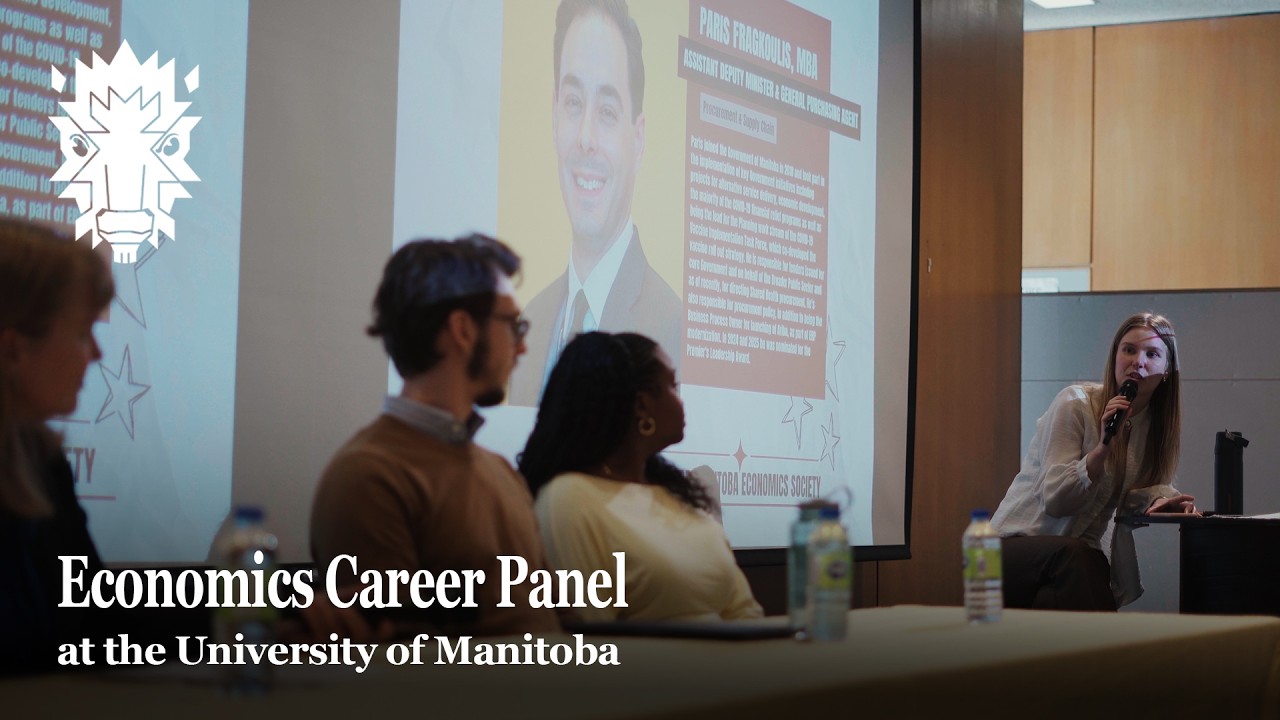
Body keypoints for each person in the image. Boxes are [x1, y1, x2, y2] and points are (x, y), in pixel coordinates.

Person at [0, 220, 375, 676]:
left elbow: (97, 617)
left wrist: (264, 607)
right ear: (15, 349)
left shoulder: (38, 461)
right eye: (81, 334)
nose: (97, 354)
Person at [310, 234, 561, 636]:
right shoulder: (368, 476)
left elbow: (557, 623)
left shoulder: (498, 470)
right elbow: (402, 664)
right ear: (462, 329)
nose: (523, 346)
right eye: (514, 325)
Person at [507, 0, 681, 406]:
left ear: (637, 141)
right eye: (572, 103)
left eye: (606, 110)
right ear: (553, 116)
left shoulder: (675, 327)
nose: (585, 138)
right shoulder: (530, 322)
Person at [518, 331, 761, 621]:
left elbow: (744, 611)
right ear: (642, 405)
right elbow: (596, 640)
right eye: (672, 385)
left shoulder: (677, 491)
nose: (681, 400)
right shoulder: (569, 498)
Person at [992, 312, 1197, 610]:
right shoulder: (1075, 404)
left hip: (1075, 564)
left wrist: (1163, 502)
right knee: (1079, 559)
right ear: (1115, 357)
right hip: (1009, 550)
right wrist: (1102, 449)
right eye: (1128, 350)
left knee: (1079, 579)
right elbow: (1056, 502)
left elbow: (1139, 494)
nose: (1137, 362)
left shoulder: (1156, 430)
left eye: (1151, 354)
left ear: (1167, 370)